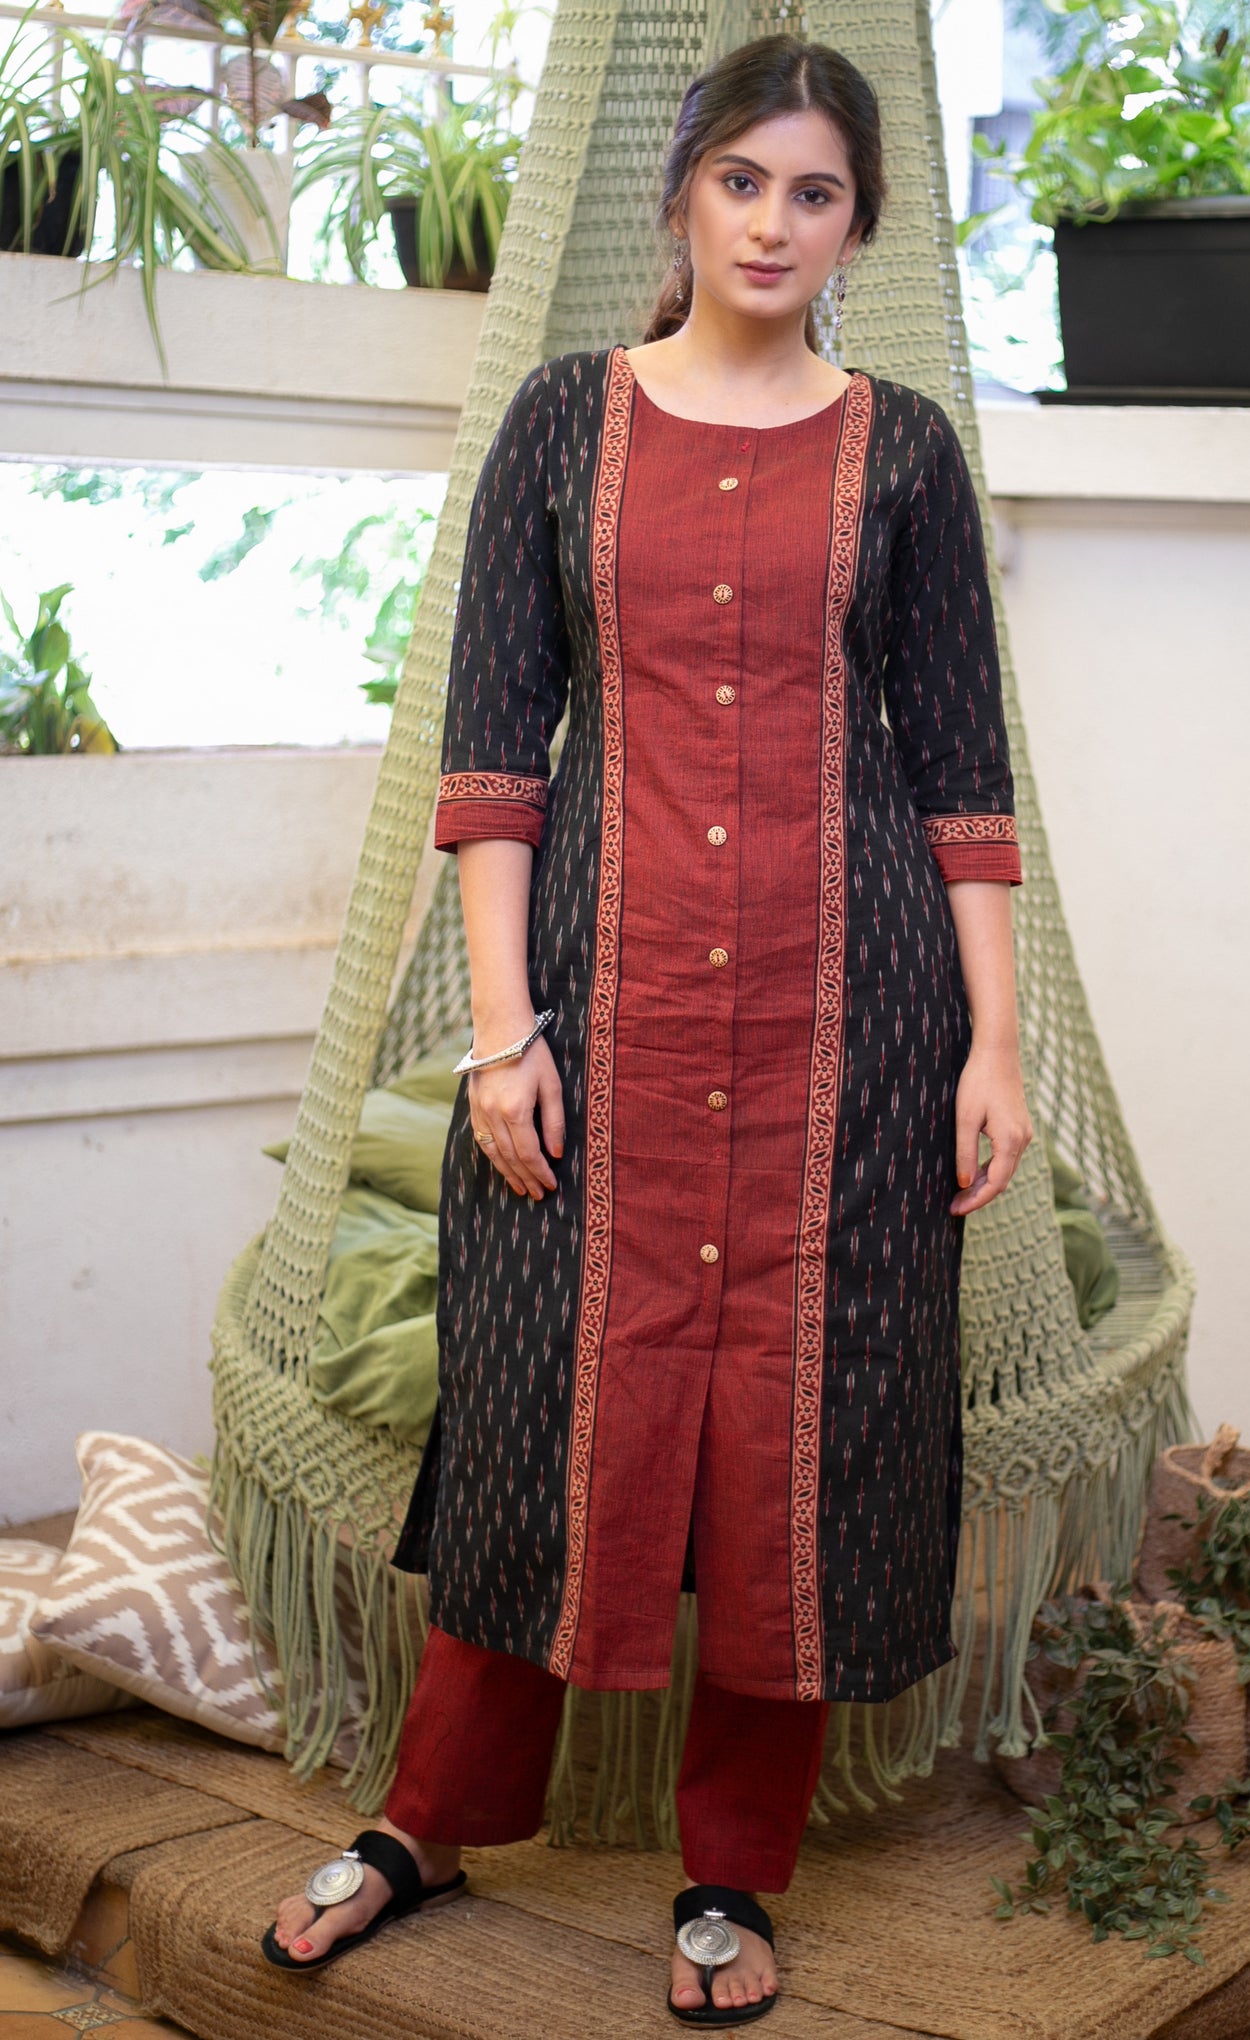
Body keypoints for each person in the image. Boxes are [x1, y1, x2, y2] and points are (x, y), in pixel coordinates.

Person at [262, 31, 1032, 2026]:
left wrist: (994, 1046)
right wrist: (500, 1030)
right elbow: (492, 750)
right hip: (593, 1012)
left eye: (816, 194)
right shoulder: (561, 422)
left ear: (857, 224)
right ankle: (427, 1822)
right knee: (540, 1414)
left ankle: (732, 1875)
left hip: (849, 1030)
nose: (773, 225)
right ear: (683, 192)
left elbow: (963, 773)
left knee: (807, 1430)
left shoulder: (903, 452)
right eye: (743, 182)